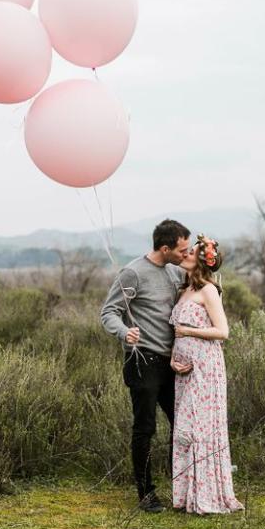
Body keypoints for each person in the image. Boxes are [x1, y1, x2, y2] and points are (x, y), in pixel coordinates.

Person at [99, 219, 191, 513]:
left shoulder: (177, 271)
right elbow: (108, 312)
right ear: (165, 248)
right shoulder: (133, 273)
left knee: (183, 424)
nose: (185, 254)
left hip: (172, 363)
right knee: (145, 428)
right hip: (143, 361)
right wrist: (124, 332)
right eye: (182, 249)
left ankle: (185, 485)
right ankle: (146, 493)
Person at [169, 234, 244, 514]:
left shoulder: (209, 291)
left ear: (200, 260)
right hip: (184, 371)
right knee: (185, 431)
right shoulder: (185, 290)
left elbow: (222, 332)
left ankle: (207, 496)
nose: (185, 254)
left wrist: (188, 331)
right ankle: (186, 495)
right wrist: (174, 362)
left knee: (201, 429)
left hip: (206, 368)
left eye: (191, 252)